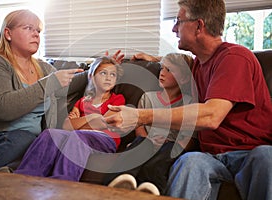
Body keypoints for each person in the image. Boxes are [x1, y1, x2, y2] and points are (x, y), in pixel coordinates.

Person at [103, 0, 272, 199]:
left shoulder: (235, 57)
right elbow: (176, 65)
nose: (174, 28)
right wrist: (153, 59)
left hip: (249, 154)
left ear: (199, 26)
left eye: (178, 21)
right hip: (211, 157)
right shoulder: (198, 66)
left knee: (266, 157)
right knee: (189, 162)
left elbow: (211, 115)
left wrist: (140, 116)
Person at [0, 9, 86, 170]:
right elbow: (0, 109)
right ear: (8, 33)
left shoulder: (44, 68)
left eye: (38, 31)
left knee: (24, 139)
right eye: (28, 28)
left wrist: (101, 67)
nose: (36, 34)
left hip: (20, 136)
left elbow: (70, 82)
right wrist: (49, 84)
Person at [14, 56, 126, 182]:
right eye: (103, 73)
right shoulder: (82, 101)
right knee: (49, 134)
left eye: (113, 75)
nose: (108, 77)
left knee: (76, 135)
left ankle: (63, 181)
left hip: (106, 139)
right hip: (77, 134)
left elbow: (104, 123)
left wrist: (78, 123)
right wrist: (92, 118)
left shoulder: (117, 99)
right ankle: (24, 177)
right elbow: (67, 126)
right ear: (91, 77)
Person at [103, 53, 197, 195]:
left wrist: (175, 146)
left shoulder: (189, 103)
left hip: (169, 147)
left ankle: (151, 188)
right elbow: (139, 126)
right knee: (141, 144)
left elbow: (189, 138)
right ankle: (116, 183)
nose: (162, 73)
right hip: (147, 141)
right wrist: (148, 140)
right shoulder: (148, 97)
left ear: (183, 79)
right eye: (162, 68)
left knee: (168, 152)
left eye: (169, 70)